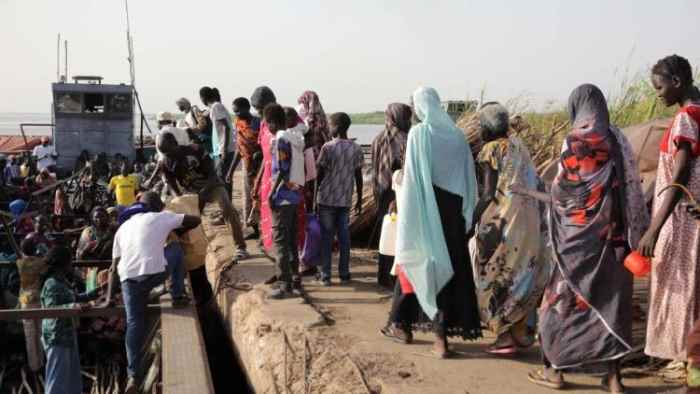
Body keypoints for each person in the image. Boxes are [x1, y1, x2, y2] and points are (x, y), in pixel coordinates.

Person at [515, 84, 647, 393]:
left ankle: (555, 372)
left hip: (574, 244)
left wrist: (530, 193)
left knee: (559, 304)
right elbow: (631, 185)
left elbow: (563, 196)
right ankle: (614, 379)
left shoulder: (573, 142)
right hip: (613, 242)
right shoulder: (617, 139)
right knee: (613, 306)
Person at [394, 86, 481, 358]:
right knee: (451, 269)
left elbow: (412, 180)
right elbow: (469, 178)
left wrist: (407, 215)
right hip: (454, 213)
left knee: (421, 262)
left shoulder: (419, 134)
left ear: (420, 107)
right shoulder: (457, 136)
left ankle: (435, 337)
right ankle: (402, 323)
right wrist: (467, 213)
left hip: (427, 208)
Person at [471, 102, 551, 355]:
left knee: (495, 275)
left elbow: (487, 194)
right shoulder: (520, 146)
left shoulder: (490, 149)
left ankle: (504, 336)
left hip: (502, 223)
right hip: (527, 222)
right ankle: (519, 331)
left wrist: (472, 220)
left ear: (486, 127)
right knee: (521, 273)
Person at [103, 192, 201, 393]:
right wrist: (175, 228)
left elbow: (114, 267)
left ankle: (132, 377)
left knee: (134, 323)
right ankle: (177, 295)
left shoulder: (122, 229)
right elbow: (195, 220)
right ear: (157, 207)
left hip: (128, 281)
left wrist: (108, 299)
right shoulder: (161, 217)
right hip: (155, 274)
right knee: (174, 250)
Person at [639, 55, 700, 364]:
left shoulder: (686, 118)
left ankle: (677, 357)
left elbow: (679, 175)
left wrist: (654, 228)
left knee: (677, 286)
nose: (658, 94)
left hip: (680, 221)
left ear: (677, 82)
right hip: (691, 214)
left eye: (660, 87)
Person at [145, 132, 250, 260]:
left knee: (227, 207)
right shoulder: (165, 163)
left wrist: (205, 191)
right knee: (185, 220)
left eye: (169, 151)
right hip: (191, 192)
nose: (168, 155)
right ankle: (188, 253)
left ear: (175, 143)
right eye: (165, 153)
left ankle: (241, 247)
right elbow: (172, 185)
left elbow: (212, 173)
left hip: (212, 186)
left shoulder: (195, 150)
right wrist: (181, 201)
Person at [41, 246, 100, 394]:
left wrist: (97, 292)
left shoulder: (62, 281)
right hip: (57, 336)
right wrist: (76, 306)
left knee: (71, 378)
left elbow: (76, 297)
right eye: (70, 261)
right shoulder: (51, 284)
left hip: (67, 334)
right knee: (57, 379)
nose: (71, 264)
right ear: (63, 264)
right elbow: (51, 308)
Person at [316, 112, 363, 286]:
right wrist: (358, 198)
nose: (328, 127)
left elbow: (319, 175)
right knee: (344, 238)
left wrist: (314, 197)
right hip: (345, 199)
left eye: (330, 124)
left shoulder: (327, 147)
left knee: (327, 238)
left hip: (327, 198)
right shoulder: (356, 148)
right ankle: (344, 273)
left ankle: (326, 275)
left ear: (336, 127)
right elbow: (358, 175)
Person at [264, 104, 305, 299]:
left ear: (272, 122)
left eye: (267, 124)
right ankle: (295, 278)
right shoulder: (295, 138)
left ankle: (284, 284)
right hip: (295, 195)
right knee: (290, 240)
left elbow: (282, 169)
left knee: (280, 241)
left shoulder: (281, 140)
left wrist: (271, 194)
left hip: (282, 197)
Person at [370, 103, 411, 289]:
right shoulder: (406, 138)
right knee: (399, 233)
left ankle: (383, 276)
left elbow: (375, 167)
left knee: (386, 232)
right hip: (399, 192)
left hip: (382, 190)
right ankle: (395, 277)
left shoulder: (378, 138)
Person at [252, 86, 280, 254]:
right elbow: (265, 155)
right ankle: (272, 253)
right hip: (266, 178)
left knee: (279, 222)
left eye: (260, 109)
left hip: (280, 178)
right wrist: (258, 179)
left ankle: (284, 265)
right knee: (267, 215)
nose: (259, 113)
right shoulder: (264, 123)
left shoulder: (282, 121)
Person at [232, 97, 262, 238]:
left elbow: (264, 145)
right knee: (248, 197)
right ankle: (252, 228)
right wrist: (231, 170)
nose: (236, 114)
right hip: (246, 165)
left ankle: (264, 228)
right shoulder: (238, 124)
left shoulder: (258, 123)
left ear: (247, 108)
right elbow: (239, 148)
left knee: (260, 196)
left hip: (260, 165)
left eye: (238, 111)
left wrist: (259, 154)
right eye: (234, 111)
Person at [298, 91, 331, 210]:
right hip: (321, 158)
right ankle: (315, 212)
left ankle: (310, 213)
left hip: (309, 157)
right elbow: (328, 139)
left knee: (309, 187)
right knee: (317, 188)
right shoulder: (323, 118)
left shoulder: (305, 120)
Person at [201, 87, 236, 190]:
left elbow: (226, 127)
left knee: (222, 179)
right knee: (224, 178)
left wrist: (224, 149)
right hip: (221, 149)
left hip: (223, 149)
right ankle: (227, 203)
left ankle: (227, 204)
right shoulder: (217, 107)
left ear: (203, 98)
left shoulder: (216, 107)